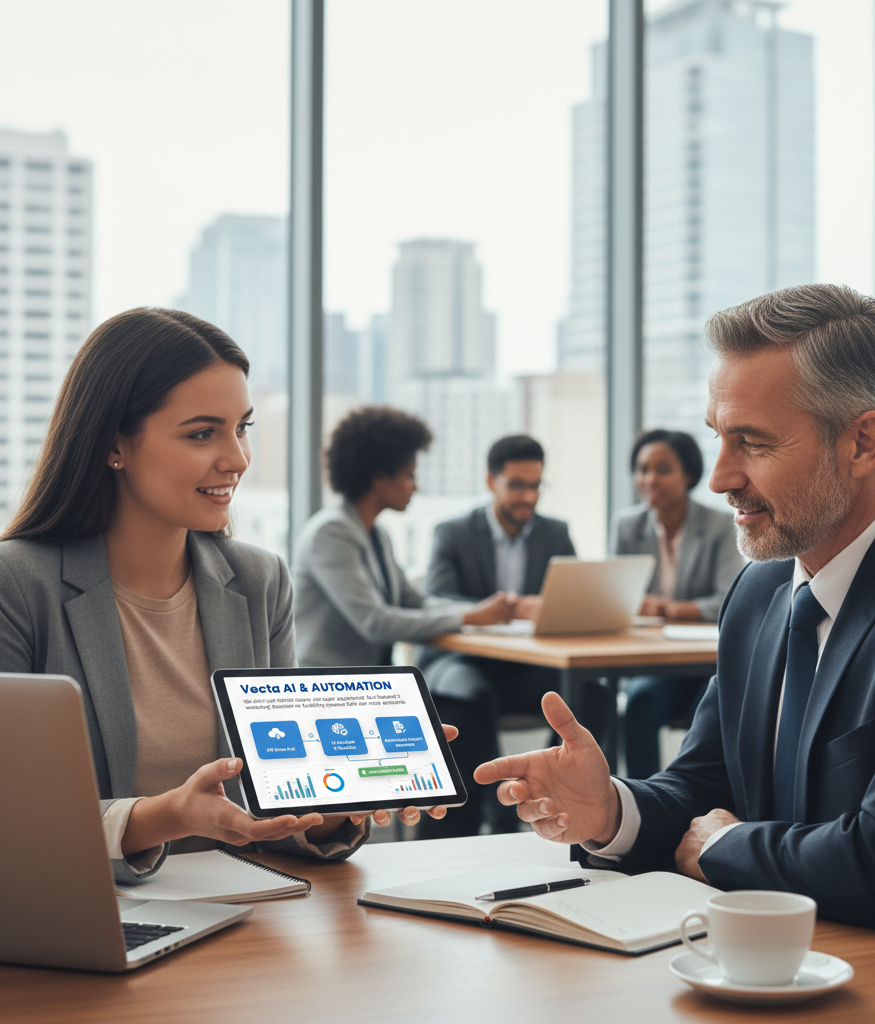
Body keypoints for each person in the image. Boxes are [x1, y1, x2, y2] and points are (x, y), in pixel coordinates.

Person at [475, 284, 875, 958]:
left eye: (752, 443)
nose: (719, 477)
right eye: (718, 437)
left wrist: (727, 845)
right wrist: (611, 811)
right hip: (791, 962)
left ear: (862, 442)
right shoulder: (762, 589)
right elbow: (704, 786)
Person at [0, 308, 450, 887]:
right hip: (88, 922)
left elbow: (264, 809)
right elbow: (17, 821)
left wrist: (328, 807)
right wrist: (164, 816)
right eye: (202, 433)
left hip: (241, 922)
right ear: (115, 445)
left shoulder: (260, 581)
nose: (237, 460)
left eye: (243, 428)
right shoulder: (19, 584)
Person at [419, 434, 607, 838]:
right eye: (517, 485)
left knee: (592, 690)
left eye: (536, 485)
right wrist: (488, 609)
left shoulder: (554, 533)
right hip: (462, 661)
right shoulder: (453, 532)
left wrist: (541, 606)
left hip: (523, 665)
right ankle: (466, 830)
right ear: (492, 482)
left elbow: (570, 596)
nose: (528, 496)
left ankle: (570, 808)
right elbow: (434, 599)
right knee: (467, 701)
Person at [292, 406, 514, 668]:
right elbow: (376, 622)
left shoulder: (375, 534)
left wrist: (484, 611)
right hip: (327, 688)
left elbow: (414, 602)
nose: (415, 486)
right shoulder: (330, 534)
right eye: (409, 475)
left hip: (367, 682)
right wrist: (468, 617)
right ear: (378, 477)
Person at [612, 429, 745, 777]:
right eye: (642, 469)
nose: (649, 479)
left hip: (706, 663)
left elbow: (728, 600)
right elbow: (619, 599)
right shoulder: (627, 526)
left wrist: (665, 609)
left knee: (714, 707)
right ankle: (643, 798)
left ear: (688, 474)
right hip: (653, 663)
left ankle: (703, 800)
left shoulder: (719, 524)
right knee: (639, 701)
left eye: (662, 469)